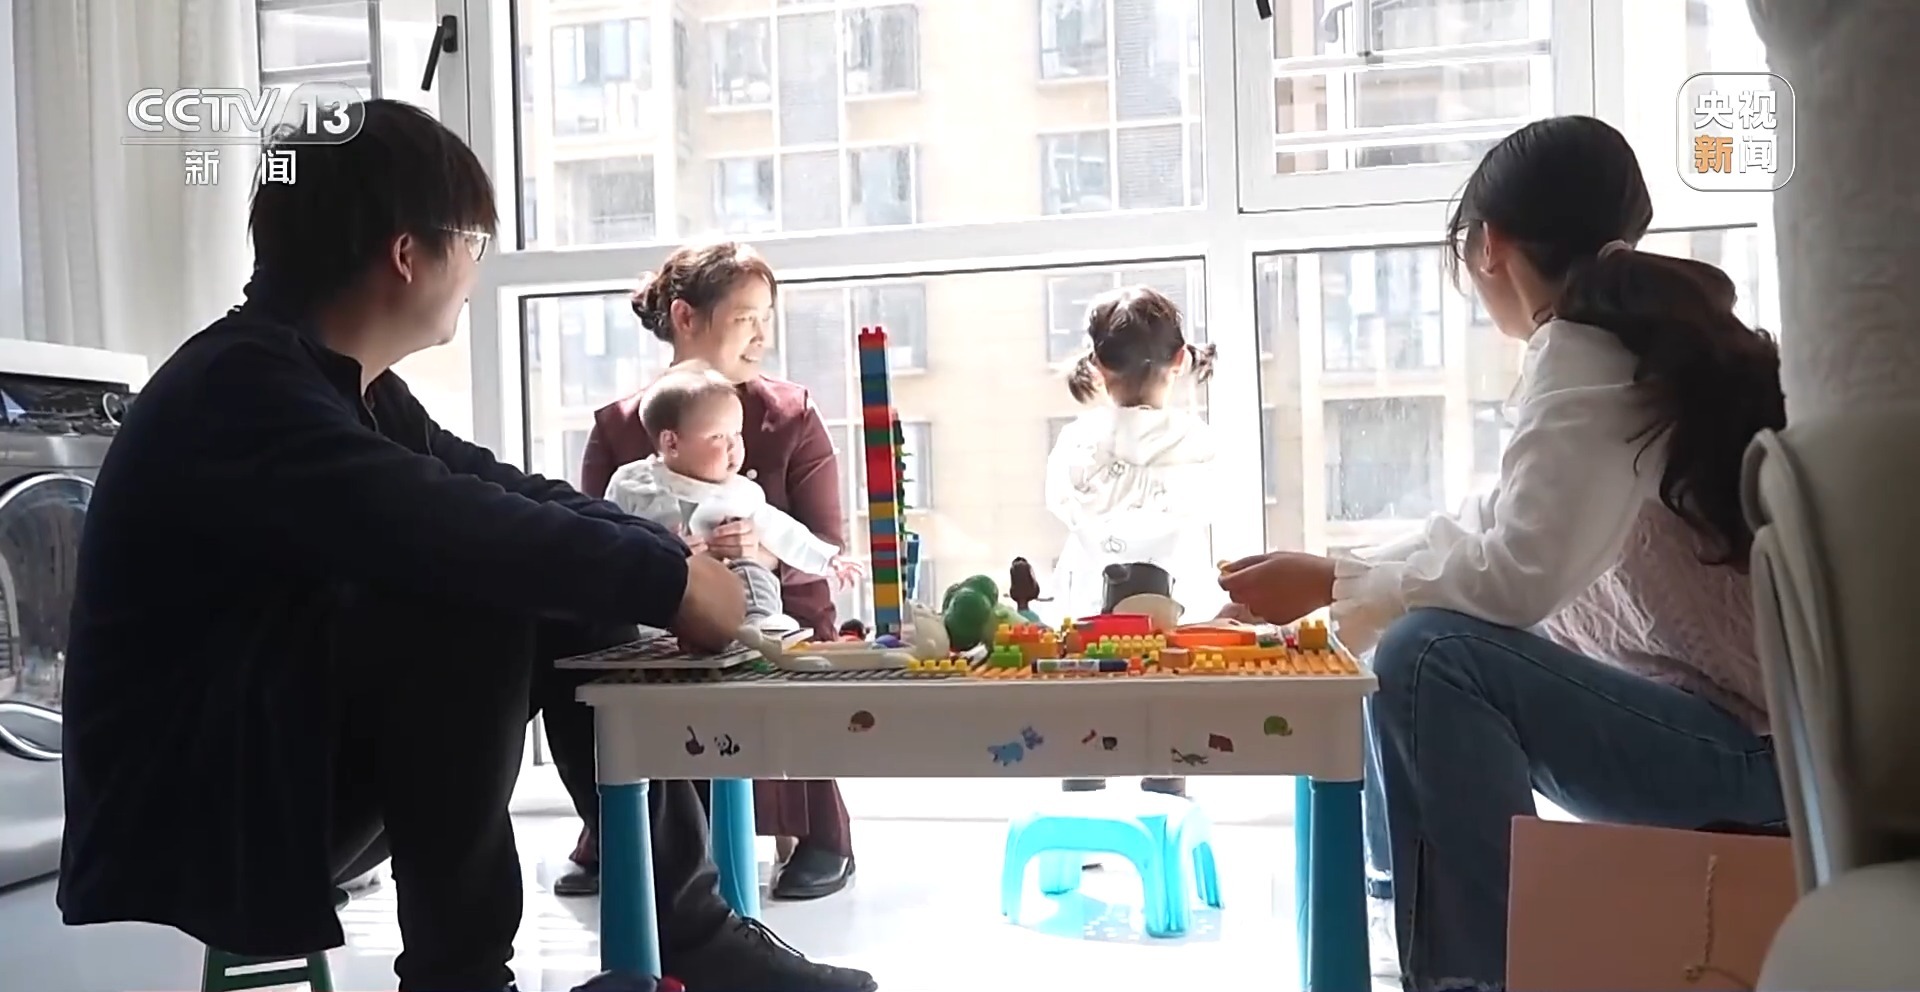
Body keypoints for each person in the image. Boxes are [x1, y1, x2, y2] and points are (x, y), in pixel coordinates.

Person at [57, 100, 875, 992]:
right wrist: (669, 579)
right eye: (474, 244)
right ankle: (466, 980)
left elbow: (503, 489)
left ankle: (693, 932)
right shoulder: (243, 390)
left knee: (550, 569)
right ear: (408, 254)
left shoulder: (348, 387)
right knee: (485, 588)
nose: (477, 271)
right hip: (198, 808)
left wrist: (669, 562)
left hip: (274, 762)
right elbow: (453, 526)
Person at [1217, 115, 1788, 991]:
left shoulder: (1583, 353)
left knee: (1428, 654)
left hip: (1753, 760)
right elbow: (1480, 530)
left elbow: (1515, 577)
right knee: (1404, 634)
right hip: (1737, 745)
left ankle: (1463, 975)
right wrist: (1327, 586)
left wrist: (1335, 580)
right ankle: (1406, 931)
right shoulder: (1620, 350)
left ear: (1489, 245)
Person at [551, 241, 858, 903]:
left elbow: (822, 541)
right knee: (598, 638)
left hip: (769, 594)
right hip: (659, 602)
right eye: (746, 318)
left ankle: (809, 828)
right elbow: (592, 538)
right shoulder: (620, 428)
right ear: (685, 318)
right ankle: (622, 826)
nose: (762, 336)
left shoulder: (791, 415)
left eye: (766, 318)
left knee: (777, 632)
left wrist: (753, 553)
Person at [1045, 285, 1222, 801]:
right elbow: (1209, 506)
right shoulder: (1197, 440)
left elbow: (1061, 505)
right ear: (1180, 360)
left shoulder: (1078, 441)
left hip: (1089, 610)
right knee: (1169, 720)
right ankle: (1165, 817)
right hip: (1176, 610)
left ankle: (1080, 820)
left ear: (1098, 366)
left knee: (1082, 719)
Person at [606, 362, 865, 632]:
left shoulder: (739, 493)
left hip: (725, 594)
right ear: (672, 443)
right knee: (641, 583)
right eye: (718, 436)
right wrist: (664, 552)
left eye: (737, 433)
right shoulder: (631, 483)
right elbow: (610, 538)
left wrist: (828, 559)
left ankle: (760, 622)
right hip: (666, 593)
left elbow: (783, 532)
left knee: (751, 570)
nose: (734, 446)